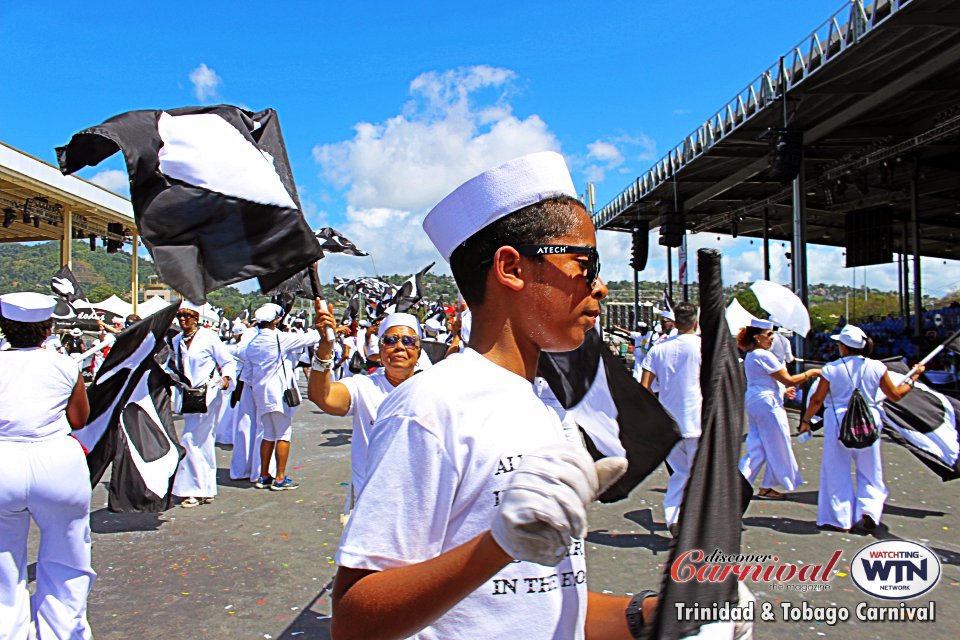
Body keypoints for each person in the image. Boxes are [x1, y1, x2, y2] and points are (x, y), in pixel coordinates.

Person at [332, 151, 658, 640]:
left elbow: (537, 606)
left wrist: (655, 615)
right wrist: (497, 546)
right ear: (511, 267)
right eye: (585, 263)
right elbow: (355, 619)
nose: (601, 287)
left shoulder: (546, 405)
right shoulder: (432, 406)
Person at [0, 292, 94, 639]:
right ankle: (63, 632)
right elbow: (80, 419)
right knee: (66, 560)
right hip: (56, 462)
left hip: (3, 461)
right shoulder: (65, 364)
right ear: (47, 328)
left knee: (3, 567)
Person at [800, 325, 923, 532]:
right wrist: (913, 378)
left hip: (838, 420)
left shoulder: (831, 368)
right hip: (869, 419)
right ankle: (869, 510)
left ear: (845, 348)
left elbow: (817, 399)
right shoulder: (877, 367)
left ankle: (839, 519)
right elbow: (895, 395)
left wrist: (806, 421)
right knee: (870, 470)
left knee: (835, 469)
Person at [308, 311, 422, 502]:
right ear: (380, 350)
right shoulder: (363, 386)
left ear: (418, 350)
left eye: (408, 341)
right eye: (391, 340)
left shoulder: (432, 389)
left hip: (417, 504)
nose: (399, 347)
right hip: (371, 504)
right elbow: (322, 396)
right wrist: (325, 347)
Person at [737, 319, 821, 500]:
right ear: (758, 337)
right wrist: (812, 373)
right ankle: (763, 484)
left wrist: (783, 389)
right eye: (769, 335)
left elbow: (769, 380)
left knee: (758, 446)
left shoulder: (752, 355)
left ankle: (741, 482)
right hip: (768, 404)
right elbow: (788, 379)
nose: (772, 338)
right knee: (779, 445)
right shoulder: (763, 355)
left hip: (757, 400)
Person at [244, 302, 322, 491]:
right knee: (283, 435)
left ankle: (263, 476)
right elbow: (312, 337)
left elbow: (247, 374)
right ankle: (279, 478)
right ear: (276, 320)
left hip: (260, 395)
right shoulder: (279, 338)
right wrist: (321, 321)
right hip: (278, 394)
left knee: (268, 435)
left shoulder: (252, 344)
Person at [639, 302, 701, 536]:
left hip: (668, 421)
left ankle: (674, 516)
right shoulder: (703, 347)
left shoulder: (659, 349)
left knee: (680, 472)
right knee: (697, 473)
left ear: (673, 323)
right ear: (695, 322)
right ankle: (692, 519)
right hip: (697, 419)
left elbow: (644, 386)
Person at [170, 301, 236, 507]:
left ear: (196, 318)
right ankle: (205, 487)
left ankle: (193, 489)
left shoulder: (209, 337)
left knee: (190, 438)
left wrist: (226, 379)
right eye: (180, 316)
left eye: (187, 316)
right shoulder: (177, 340)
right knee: (203, 440)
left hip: (208, 394)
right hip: (188, 395)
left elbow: (228, 361)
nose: (183, 320)